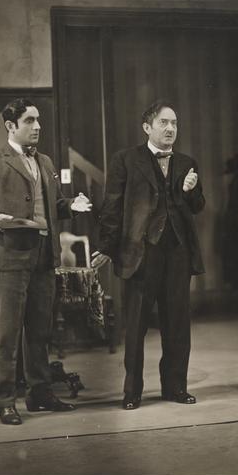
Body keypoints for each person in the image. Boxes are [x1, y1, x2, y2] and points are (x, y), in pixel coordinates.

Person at [0, 98, 92, 425]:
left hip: (44, 256)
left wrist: (70, 206)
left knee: (39, 331)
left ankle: (40, 394)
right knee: (7, 334)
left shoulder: (45, 161)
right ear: (10, 125)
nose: (37, 127)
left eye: (38, 120)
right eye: (29, 121)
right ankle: (5, 400)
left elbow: (51, 205)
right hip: (9, 257)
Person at [92, 100, 205, 410]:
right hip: (140, 253)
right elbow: (112, 206)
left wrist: (191, 190)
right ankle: (132, 392)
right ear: (147, 127)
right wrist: (107, 246)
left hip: (178, 253)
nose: (171, 128)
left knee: (177, 324)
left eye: (174, 123)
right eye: (164, 123)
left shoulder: (187, 162)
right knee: (136, 326)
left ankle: (175, 388)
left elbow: (198, 206)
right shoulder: (126, 160)